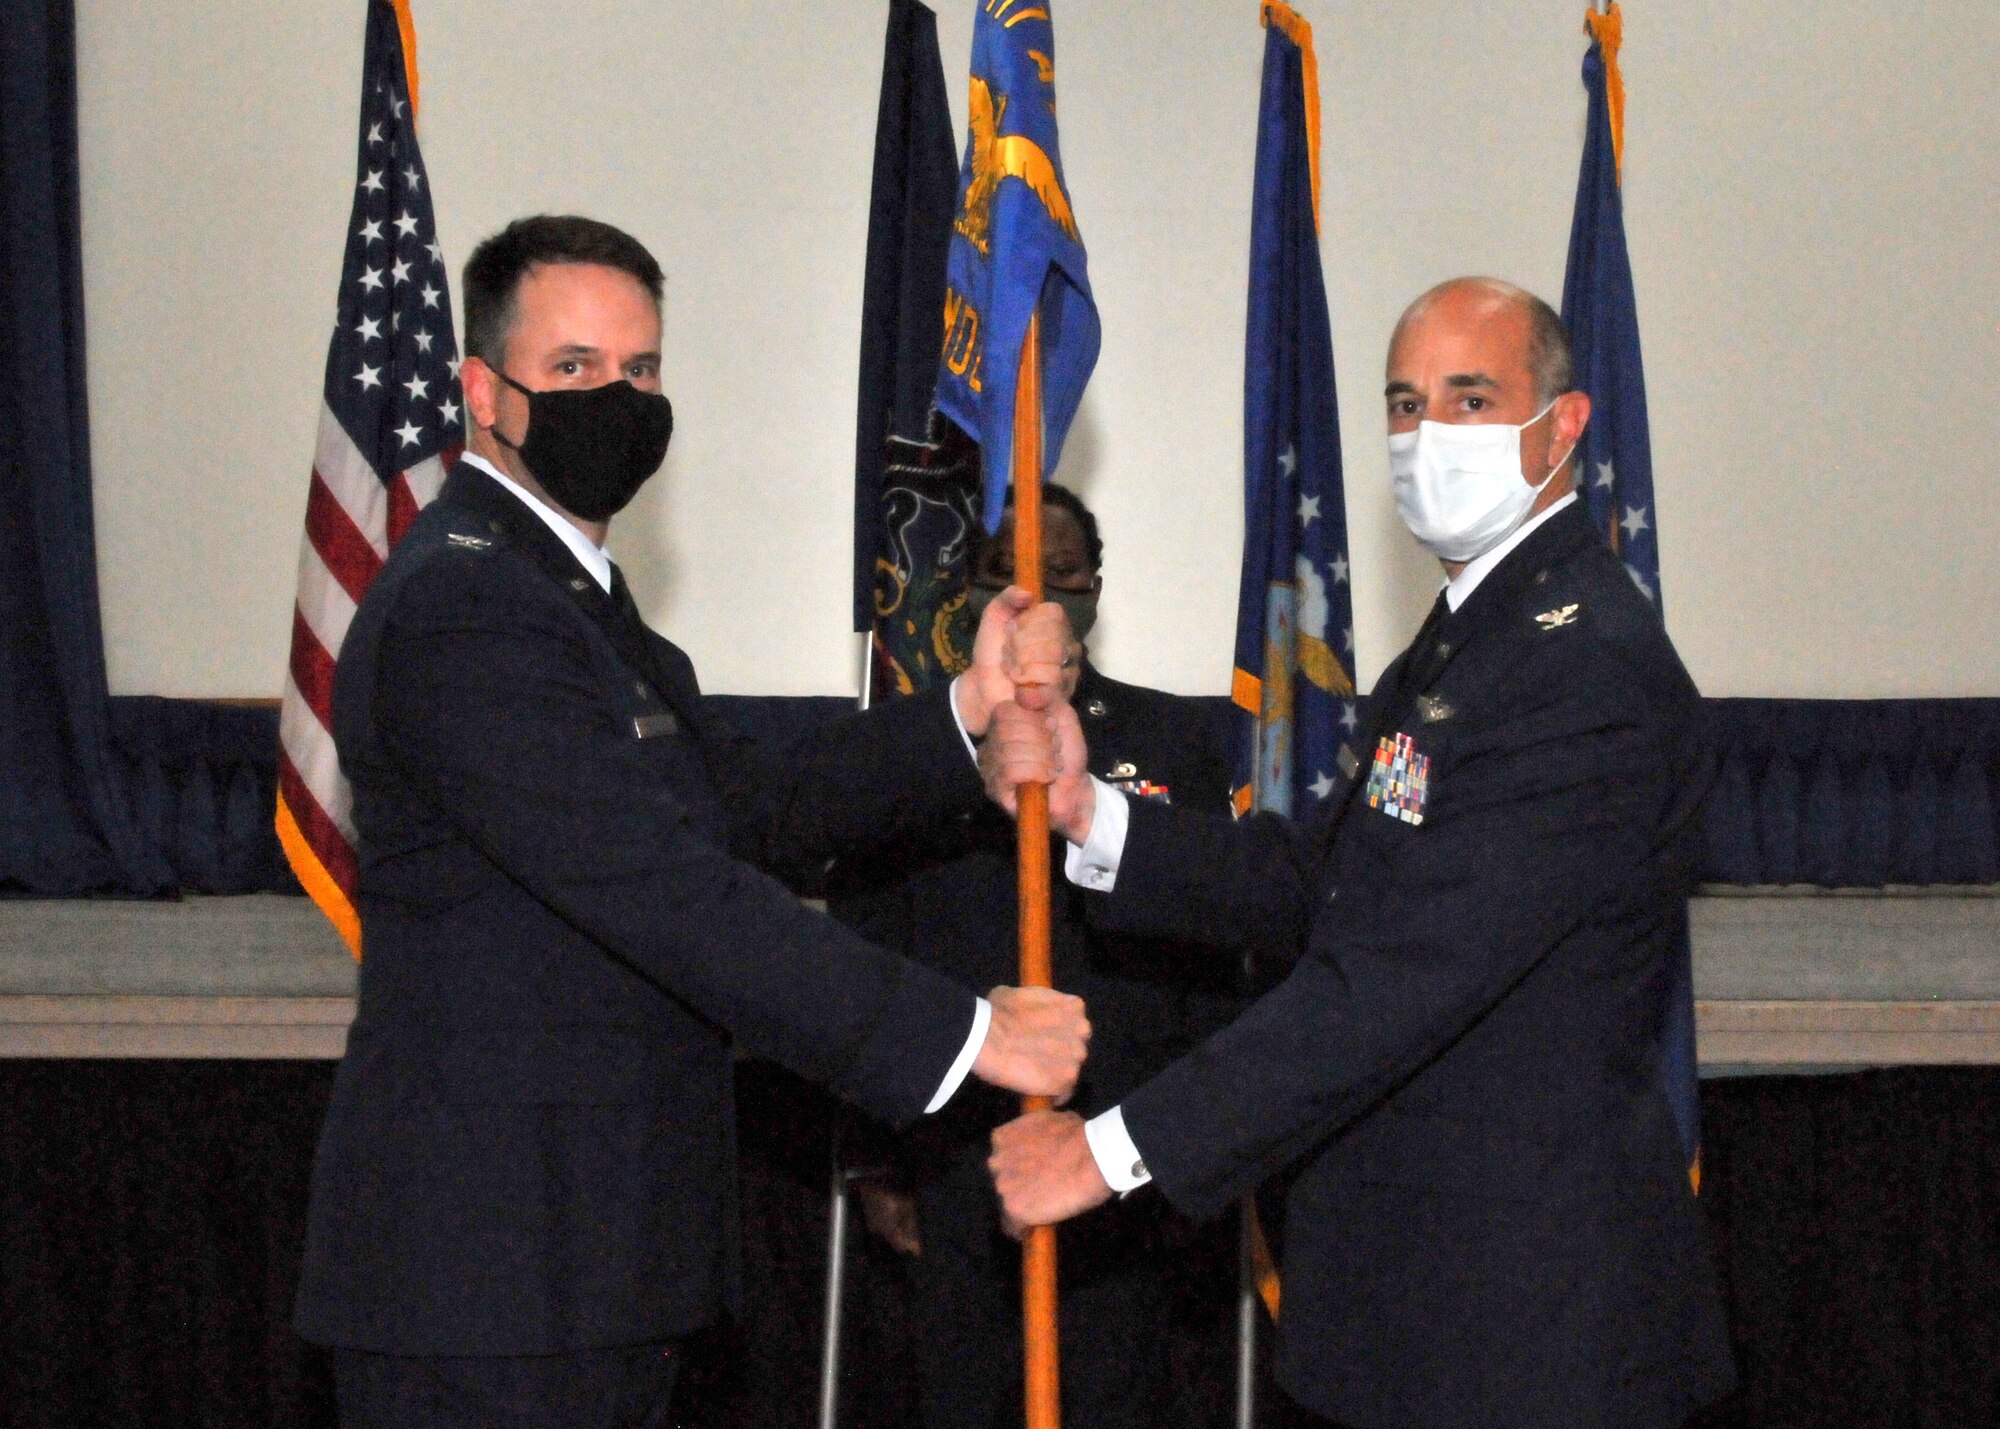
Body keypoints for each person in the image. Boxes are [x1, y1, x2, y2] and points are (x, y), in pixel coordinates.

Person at [292, 215, 1091, 1429]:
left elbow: (744, 801)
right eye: (572, 370)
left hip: (593, 1258)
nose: (616, 400)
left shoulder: (572, 599)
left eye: (641, 369)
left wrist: (965, 711)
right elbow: (667, 891)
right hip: (489, 1274)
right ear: (481, 392)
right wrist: (964, 1034)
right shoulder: (466, 608)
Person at [983, 278, 1737, 1428]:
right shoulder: (1462, 643)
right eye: (1403, 402)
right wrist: (1090, 813)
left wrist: (1107, 1153)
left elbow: (1390, 984)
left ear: (1564, 425)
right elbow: (1314, 886)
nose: (1426, 436)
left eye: (1470, 399)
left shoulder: (1585, 671)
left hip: (1524, 1333)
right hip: (1406, 1310)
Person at [833, 485, 1236, 1429]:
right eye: (1007, 569)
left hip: (1119, 1151)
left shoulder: (1173, 737)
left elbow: (1214, 960)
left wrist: (1190, 1149)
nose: (1041, 588)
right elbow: (867, 944)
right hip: (951, 1154)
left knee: (1112, 1395)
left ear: (1096, 584)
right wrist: (875, 1163)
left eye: (1064, 571)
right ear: (971, 587)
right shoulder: (921, 747)